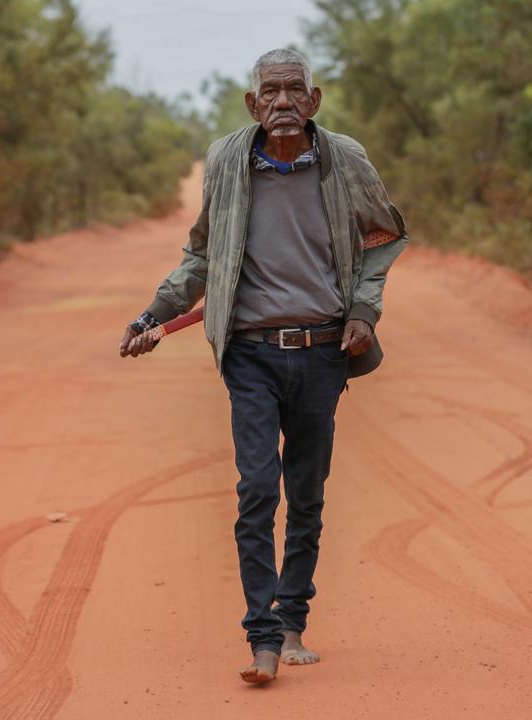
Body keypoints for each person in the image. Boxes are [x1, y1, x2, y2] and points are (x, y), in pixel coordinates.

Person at [118, 48, 408, 685]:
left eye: (293, 90)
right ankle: (263, 637)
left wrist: (364, 308)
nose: (282, 102)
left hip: (326, 351)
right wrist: (152, 316)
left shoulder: (345, 159)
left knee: (305, 492)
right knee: (257, 490)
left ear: (313, 100)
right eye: (269, 92)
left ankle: (294, 616)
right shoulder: (227, 159)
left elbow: (385, 236)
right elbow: (201, 255)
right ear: (252, 104)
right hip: (249, 353)